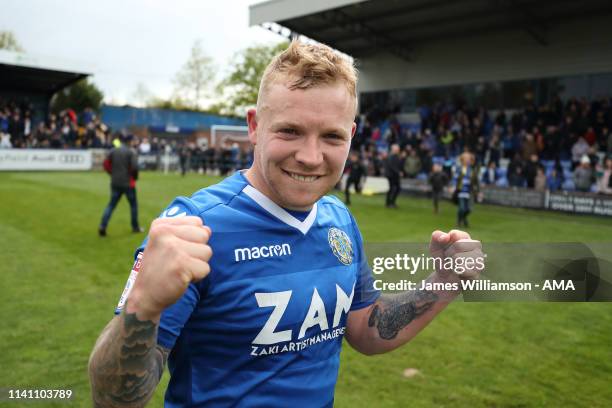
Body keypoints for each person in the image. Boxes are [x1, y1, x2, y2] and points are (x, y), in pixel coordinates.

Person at [88, 41, 483, 408]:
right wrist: (144, 306)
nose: (311, 157)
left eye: (332, 136)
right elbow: (113, 398)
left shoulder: (339, 219)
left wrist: (445, 280)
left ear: (352, 136)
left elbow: (367, 328)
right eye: (290, 131)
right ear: (255, 126)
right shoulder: (195, 226)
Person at [98, 134, 143, 236]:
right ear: (130, 141)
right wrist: (135, 178)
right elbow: (135, 167)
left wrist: (111, 173)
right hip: (128, 183)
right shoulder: (131, 152)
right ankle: (135, 227)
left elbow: (105, 164)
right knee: (133, 206)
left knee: (111, 205)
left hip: (115, 182)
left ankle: (102, 226)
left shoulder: (114, 150)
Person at [454, 151, 480, 227]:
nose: (467, 160)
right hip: (461, 192)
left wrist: (478, 191)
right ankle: (459, 222)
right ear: (462, 160)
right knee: (461, 208)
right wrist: (453, 186)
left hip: (469, 192)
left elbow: (476, 181)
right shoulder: (459, 169)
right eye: (466, 159)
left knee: (469, 209)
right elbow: (455, 179)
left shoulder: (472, 170)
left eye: (469, 159)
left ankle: (464, 218)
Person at [384, 144, 403, 208]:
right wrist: (398, 172)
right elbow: (392, 166)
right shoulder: (391, 156)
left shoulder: (395, 156)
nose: (398, 150)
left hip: (393, 175)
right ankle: (390, 203)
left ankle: (390, 202)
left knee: (395, 188)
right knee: (393, 189)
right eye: (397, 149)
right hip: (391, 175)